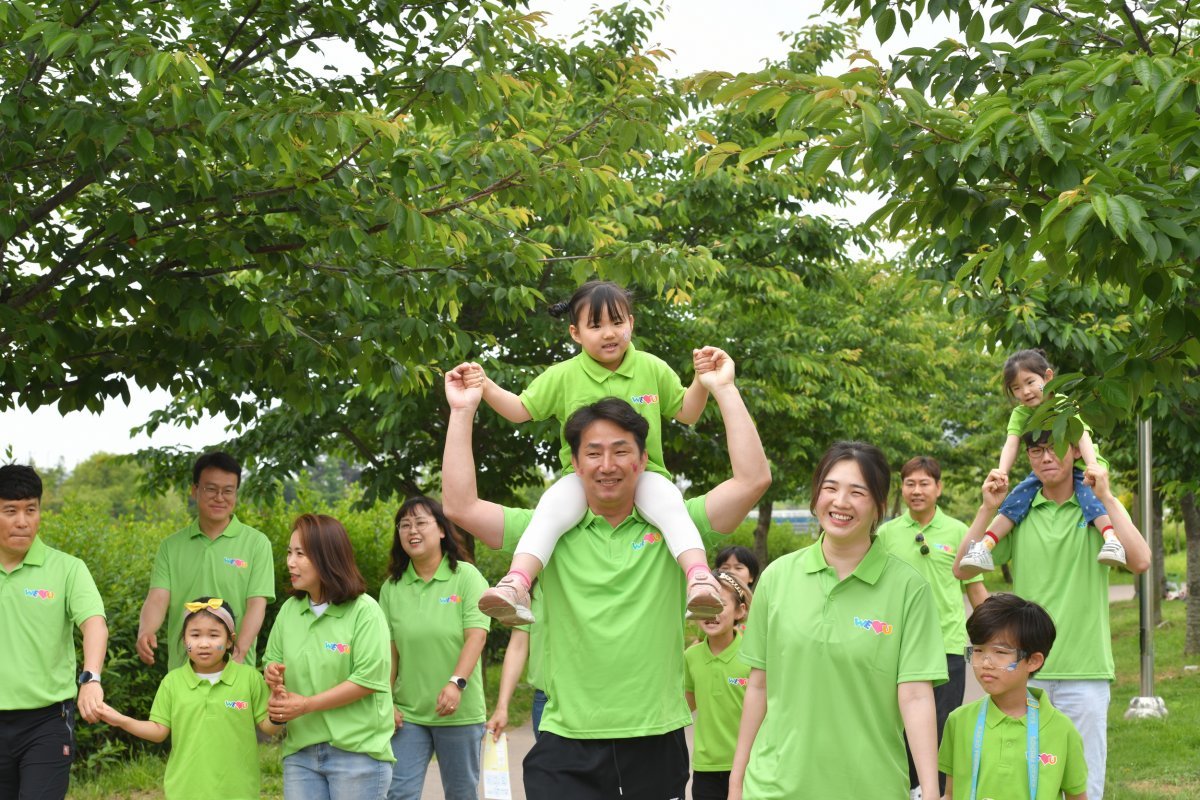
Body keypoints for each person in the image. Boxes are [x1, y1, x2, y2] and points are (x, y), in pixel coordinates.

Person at [441, 346, 770, 799]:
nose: (607, 465)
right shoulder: (546, 531)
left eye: (621, 451)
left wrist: (725, 390)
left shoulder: (676, 527)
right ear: (574, 464)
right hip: (566, 742)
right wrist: (462, 413)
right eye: (593, 453)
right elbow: (460, 506)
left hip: (656, 738)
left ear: (641, 460)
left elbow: (752, 480)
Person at [463, 280, 725, 624]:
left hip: (643, 476)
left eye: (617, 322)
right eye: (596, 325)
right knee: (549, 512)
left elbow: (688, 413)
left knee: (672, 507)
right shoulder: (563, 375)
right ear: (575, 333)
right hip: (581, 481)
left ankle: (700, 579)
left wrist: (701, 380)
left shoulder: (652, 367)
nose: (609, 333)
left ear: (631, 322)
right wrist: (486, 385)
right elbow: (519, 410)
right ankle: (516, 584)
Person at [729, 442, 947, 800]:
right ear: (816, 498)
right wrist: (736, 782)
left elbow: (916, 697)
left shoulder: (909, 589)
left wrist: (932, 793)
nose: (840, 502)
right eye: (830, 488)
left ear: (879, 506)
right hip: (774, 786)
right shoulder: (777, 577)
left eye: (856, 492)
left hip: (870, 787)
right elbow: (759, 685)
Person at [954, 432, 1150, 800]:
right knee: (1024, 783)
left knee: (1085, 787)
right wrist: (986, 509)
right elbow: (962, 569)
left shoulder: (1096, 512)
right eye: (1035, 450)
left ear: (1075, 451)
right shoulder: (1019, 511)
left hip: (1085, 672)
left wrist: (1106, 495)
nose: (1045, 458)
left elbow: (1141, 561)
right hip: (1024, 672)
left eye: (1054, 448)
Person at [876, 456, 989, 797]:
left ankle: (937, 792)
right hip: (896, 648)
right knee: (896, 727)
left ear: (938, 488)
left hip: (947, 647)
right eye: (910, 483)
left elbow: (976, 590)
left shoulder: (958, 532)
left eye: (924, 483)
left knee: (942, 729)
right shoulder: (885, 534)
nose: (916, 490)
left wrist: (997, 636)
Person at [264, 514, 395, 800]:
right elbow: (271, 660)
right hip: (301, 753)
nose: (290, 562)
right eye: (289, 552)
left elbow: (368, 680)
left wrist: (306, 705)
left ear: (327, 557)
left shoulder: (365, 612)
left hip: (358, 754)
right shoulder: (289, 611)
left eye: (300, 553)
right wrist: (272, 672)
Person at [959, 349, 1124, 575]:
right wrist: (1001, 472)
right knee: (1016, 498)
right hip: (1048, 470)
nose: (1024, 392)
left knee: (1089, 497)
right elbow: (1011, 442)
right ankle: (984, 546)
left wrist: (1093, 467)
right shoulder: (1020, 414)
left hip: (1082, 464)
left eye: (1029, 382)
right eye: (1016, 388)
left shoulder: (1062, 403)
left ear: (1047, 377)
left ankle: (1111, 539)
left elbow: (1082, 436)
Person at [97, 597, 281, 799]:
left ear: (229, 640)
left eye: (213, 635)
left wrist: (279, 710)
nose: (203, 643)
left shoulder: (250, 678)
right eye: (195, 635)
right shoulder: (172, 682)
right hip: (184, 791)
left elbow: (269, 728)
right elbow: (158, 731)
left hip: (239, 791)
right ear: (185, 641)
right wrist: (121, 720)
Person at [0, 464, 108, 799]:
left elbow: (94, 622)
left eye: (31, 510)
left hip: (47, 722)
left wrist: (91, 678)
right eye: (10, 511)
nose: (22, 521)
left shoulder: (67, 569)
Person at [379, 497, 490, 800]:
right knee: (398, 793)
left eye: (420, 522)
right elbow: (390, 652)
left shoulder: (466, 578)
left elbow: (476, 636)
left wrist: (456, 683)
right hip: (409, 714)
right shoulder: (391, 588)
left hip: (459, 713)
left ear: (442, 530)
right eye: (404, 525)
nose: (412, 530)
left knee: (461, 793)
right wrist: (386, 702)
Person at [939, 593, 1088, 800]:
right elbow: (950, 794)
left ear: (1033, 661)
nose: (986, 662)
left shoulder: (1062, 731)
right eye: (979, 650)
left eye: (1000, 652)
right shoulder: (958, 722)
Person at [138, 452, 275, 669]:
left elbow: (257, 605)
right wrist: (145, 631)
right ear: (195, 490)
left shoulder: (257, 543)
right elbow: (157, 598)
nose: (220, 497)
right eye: (211, 489)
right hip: (183, 673)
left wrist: (238, 653)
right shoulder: (171, 546)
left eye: (228, 491)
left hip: (236, 673)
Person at [685, 571, 752, 800]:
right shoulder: (690, 657)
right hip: (706, 770)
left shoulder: (754, 657)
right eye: (705, 604)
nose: (711, 613)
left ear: (740, 611)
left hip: (749, 766)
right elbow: (686, 705)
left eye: (720, 604)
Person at [486, 586, 547, 742]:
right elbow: (517, 647)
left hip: (593, 696)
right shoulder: (533, 587)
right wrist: (502, 707)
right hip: (546, 699)